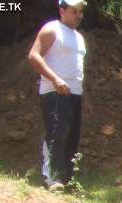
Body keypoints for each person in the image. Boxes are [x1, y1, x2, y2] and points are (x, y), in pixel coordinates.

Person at [27, 0, 87, 192]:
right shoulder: (51, 29)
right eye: (74, 11)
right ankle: (53, 179)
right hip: (55, 91)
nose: (79, 15)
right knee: (57, 134)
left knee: (71, 136)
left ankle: (66, 180)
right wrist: (55, 79)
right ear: (62, 10)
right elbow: (34, 56)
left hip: (75, 93)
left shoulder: (78, 37)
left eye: (81, 12)